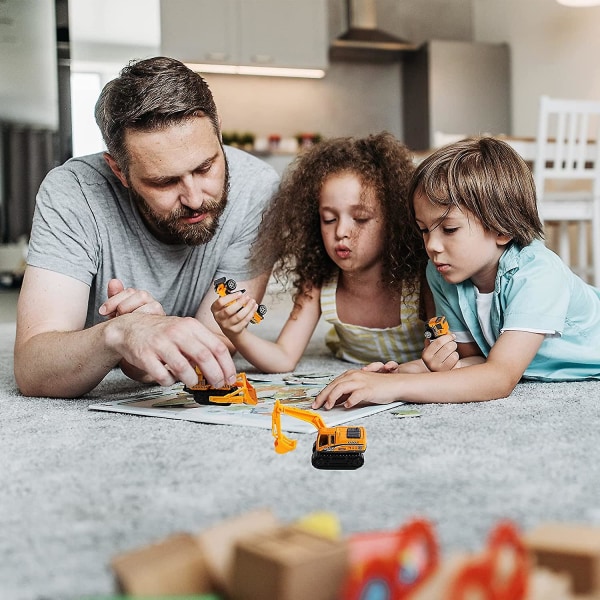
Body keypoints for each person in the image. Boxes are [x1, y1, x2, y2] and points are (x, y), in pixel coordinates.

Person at [14, 57, 279, 398]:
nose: (195, 198)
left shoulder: (257, 188)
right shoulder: (73, 192)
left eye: (205, 167)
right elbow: (34, 369)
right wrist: (120, 334)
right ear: (119, 171)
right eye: (164, 182)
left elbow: (217, 342)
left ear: (218, 132)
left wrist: (143, 359)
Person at [313, 136, 600, 409]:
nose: (432, 246)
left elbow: (498, 378)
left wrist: (395, 388)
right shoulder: (441, 274)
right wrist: (395, 375)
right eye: (424, 230)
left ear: (501, 227)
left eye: (449, 229)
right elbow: (474, 359)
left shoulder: (538, 273)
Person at [210, 132, 434, 373]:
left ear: (394, 221)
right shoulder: (319, 282)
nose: (341, 231)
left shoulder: (421, 279)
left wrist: (400, 375)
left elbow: (438, 356)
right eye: (328, 219)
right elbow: (283, 357)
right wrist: (235, 332)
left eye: (360, 218)